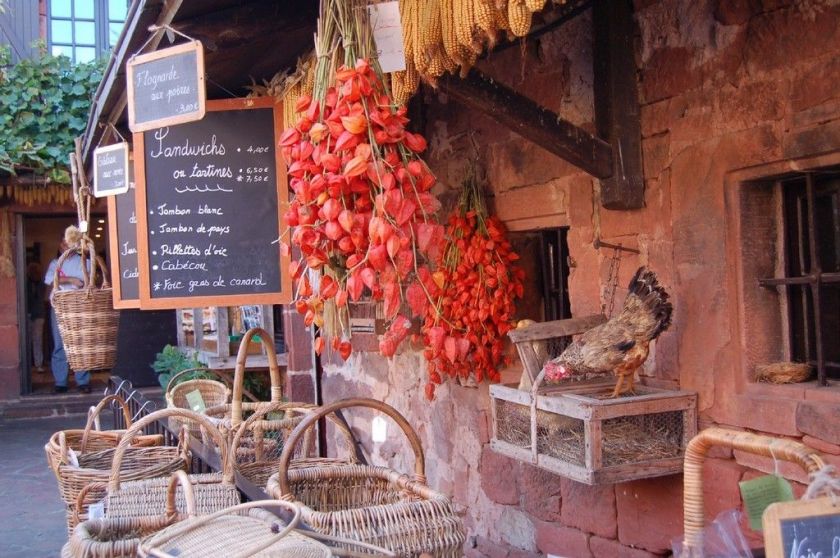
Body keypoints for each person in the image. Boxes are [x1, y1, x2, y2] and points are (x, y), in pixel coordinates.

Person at [44, 226, 90, 394]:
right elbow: (50, 279)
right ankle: (61, 381)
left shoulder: (85, 262)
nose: (64, 246)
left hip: (79, 308)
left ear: (75, 245)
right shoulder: (55, 264)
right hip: (59, 309)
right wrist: (71, 279)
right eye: (62, 243)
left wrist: (70, 281)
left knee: (80, 344)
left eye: (68, 243)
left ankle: (83, 381)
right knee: (59, 345)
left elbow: (89, 282)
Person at [26, 261, 46, 371]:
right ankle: (29, 364)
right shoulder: (26, 284)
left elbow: (40, 298)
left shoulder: (41, 284)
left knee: (37, 340)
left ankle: (38, 364)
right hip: (29, 314)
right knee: (28, 340)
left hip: (38, 314)